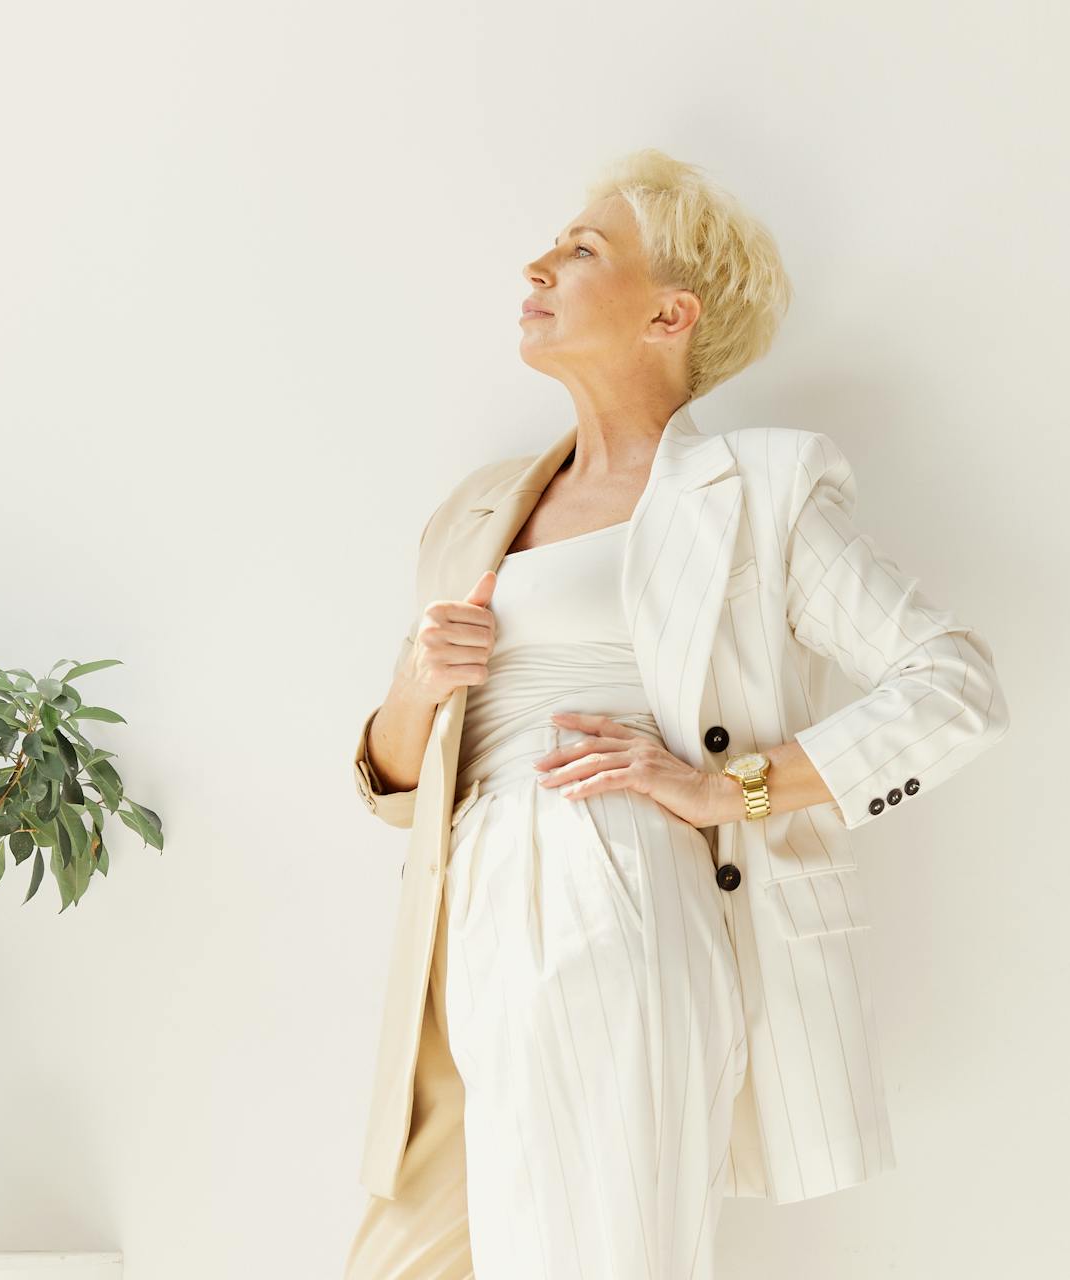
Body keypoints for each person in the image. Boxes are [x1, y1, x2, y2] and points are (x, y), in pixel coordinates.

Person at [343, 149, 1010, 1280]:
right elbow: (404, 789)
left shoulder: (758, 490)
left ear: (670, 312)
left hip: (620, 889)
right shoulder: (477, 509)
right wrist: (416, 686)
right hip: (467, 915)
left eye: (582, 248)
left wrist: (726, 787)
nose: (539, 261)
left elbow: (954, 685)